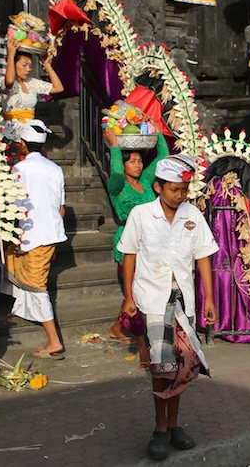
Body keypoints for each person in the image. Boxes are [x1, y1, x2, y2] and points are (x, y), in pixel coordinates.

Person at [119, 154, 218, 461]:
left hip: (183, 300)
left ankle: (175, 425)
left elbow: (203, 257)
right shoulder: (141, 214)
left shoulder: (193, 215)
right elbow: (129, 256)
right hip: (151, 299)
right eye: (175, 189)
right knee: (161, 368)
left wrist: (210, 299)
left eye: (184, 189)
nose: (181, 194)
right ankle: (160, 429)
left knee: (184, 363)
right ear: (158, 186)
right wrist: (128, 297)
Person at [5, 120, 68, 358]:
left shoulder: (20, 170)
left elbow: (15, 207)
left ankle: (54, 341)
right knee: (13, 261)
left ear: (21, 144)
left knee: (38, 287)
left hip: (33, 234)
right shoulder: (55, 169)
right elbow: (61, 209)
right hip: (50, 233)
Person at [104, 126, 169, 348]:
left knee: (144, 289)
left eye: (140, 161)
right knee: (134, 291)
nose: (139, 165)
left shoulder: (146, 182)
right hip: (128, 242)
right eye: (132, 161)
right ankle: (143, 340)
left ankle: (117, 329)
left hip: (151, 242)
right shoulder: (117, 185)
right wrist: (114, 146)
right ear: (123, 164)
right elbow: (116, 173)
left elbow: (162, 156)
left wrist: (157, 130)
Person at [2, 39, 64, 141]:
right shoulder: (4, 81)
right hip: (10, 132)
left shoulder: (32, 82)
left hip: (29, 133)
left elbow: (58, 88)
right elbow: (9, 82)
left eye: (30, 66)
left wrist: (46, 64)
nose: (28, 69)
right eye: (24, 65)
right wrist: (10, 55)